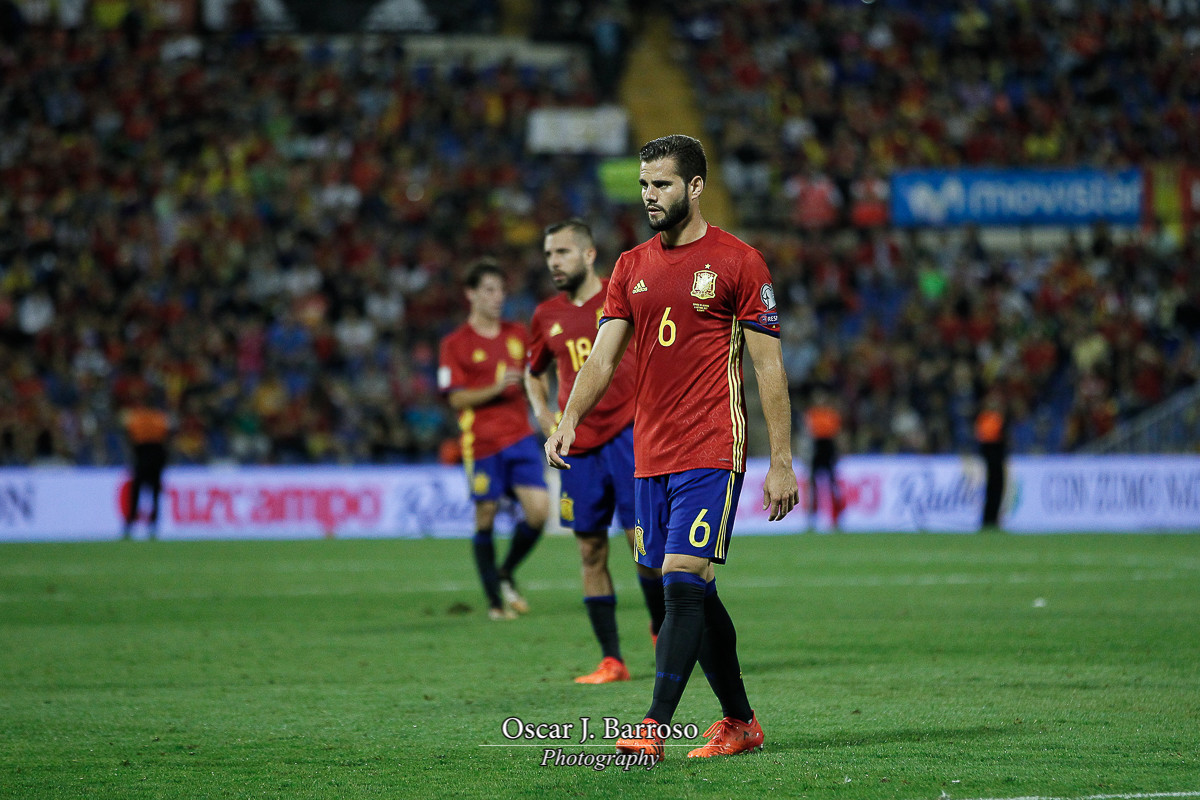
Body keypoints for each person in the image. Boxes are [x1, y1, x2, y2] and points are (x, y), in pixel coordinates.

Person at [545, 135, 799, 761]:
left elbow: (769, 367)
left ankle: (651, 727)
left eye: (661, 184)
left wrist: (782, 462)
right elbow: (602, 358)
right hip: (647, 454)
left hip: (712, 445)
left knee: (684, 579)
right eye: (644, 185)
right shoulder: (631, 266)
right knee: (682, 590)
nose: (649, 196)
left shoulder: (740, 263)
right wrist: (569, 419)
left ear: (695, 187)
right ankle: (739, 721)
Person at [526, 218, 666, 684]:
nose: (554, 263)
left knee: (642, 546)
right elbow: (533, 372)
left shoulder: (622, 294)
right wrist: (546, 417)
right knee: (589, 551)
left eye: (562, 253)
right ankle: (612, 660)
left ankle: (662, 632)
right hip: (578, 446)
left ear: (588, 254)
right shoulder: (546, 315)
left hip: (629, 434)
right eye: (549, 255)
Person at [438, 260, 549, 620]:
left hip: (520, 436)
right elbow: (455, 398)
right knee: (485, 514)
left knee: (539, 512)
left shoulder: (517, 333)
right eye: (489, 289)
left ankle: (504, 572)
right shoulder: (456, 344)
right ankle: (494, 601)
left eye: (501, 290)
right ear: (471, 294)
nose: (497, 297)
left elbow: (535, 374)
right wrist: (496, 389)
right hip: (481, 442)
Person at [121, 386, 171, 540]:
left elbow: (130, 437)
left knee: (136, 492)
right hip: (156, 455)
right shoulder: (160, 418)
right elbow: (165, 438)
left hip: (142, 455)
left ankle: (130, 525)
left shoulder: (137, 417)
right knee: (155, 492)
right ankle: (153, 526)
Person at [804, 387, 844, 530]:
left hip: (828, 450)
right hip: (817, 450)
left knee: (833, 486)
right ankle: (811, 519)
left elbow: (837, 435)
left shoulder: (831, 415)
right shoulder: (812, 414)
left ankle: (837, 518)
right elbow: (807, 435)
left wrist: (839, 452)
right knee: (813, 487)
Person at [975, 392, 1007, 532]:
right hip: (993, 457)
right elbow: (992, 437)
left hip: (993, 457)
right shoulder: (992, 418)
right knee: (994, 490)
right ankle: (990, 520)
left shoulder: (985, 418)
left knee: (994, 490)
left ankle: (991, 520)